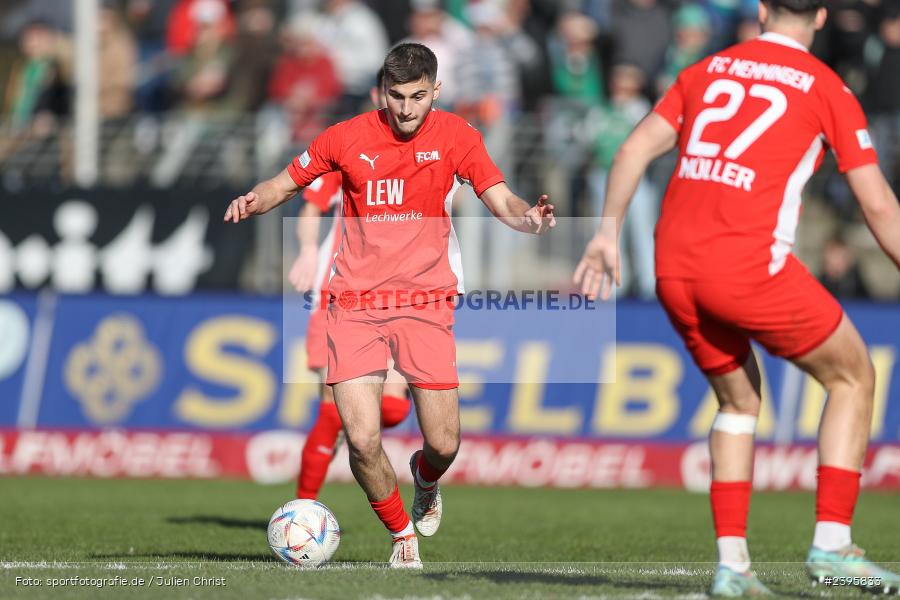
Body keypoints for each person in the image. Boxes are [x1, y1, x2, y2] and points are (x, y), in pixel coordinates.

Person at [573, 0, 900, 595]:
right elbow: (877, 204)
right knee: (853, 376)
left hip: (674, 267)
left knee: (739, 402)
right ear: (821, 17)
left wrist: (605, 234)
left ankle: (733, 567)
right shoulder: (827, 87)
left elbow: (632, 149)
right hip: (746, 266)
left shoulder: (706, 69)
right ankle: (832, 545)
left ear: (762, 9)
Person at [225, 43, 555, 568]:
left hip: (425, 301)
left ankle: (425, 478)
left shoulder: (458, 136)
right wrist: (254, 198)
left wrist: (528, 218)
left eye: (417, 97)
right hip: (353, 303)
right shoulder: (345, 137)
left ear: (436, 90)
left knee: (444, 443)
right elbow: (284, 184)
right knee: (360, 438)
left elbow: (501, 198)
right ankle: (401, 534)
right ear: (382, 91)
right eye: (396, 96)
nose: (406, 108)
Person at [287, 69, 412, 501]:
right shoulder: (348, 149)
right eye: (390, 95)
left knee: (392, 407)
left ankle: (354, 420)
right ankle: (303, 509)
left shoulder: (419, 154)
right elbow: (311, 206)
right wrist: (307, 250)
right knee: (330, 407)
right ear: (377, 96)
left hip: (395, 296)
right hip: (337, 294)